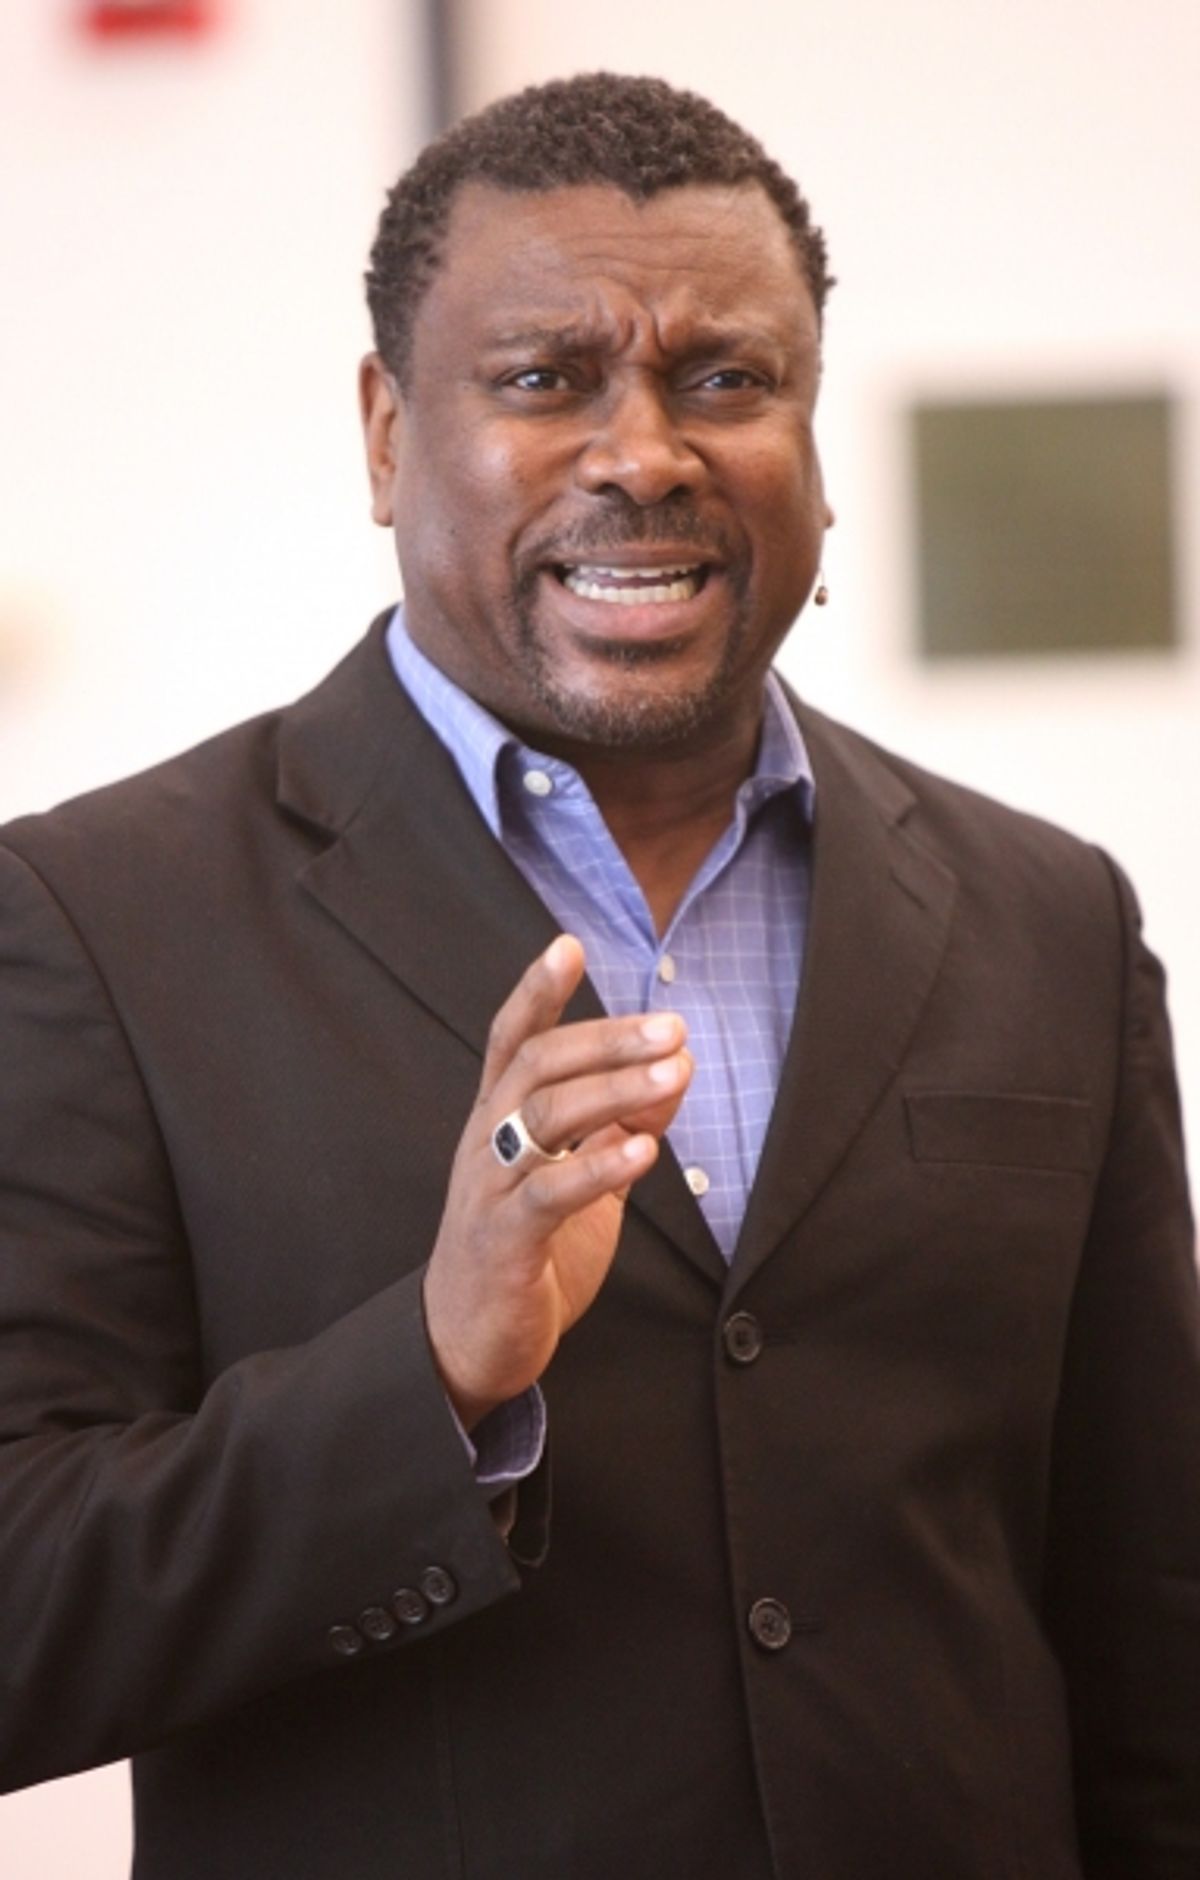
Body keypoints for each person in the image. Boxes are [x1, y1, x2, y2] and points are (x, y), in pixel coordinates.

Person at [0, 70, 1197, 1880]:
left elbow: (1146, 1613)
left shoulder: (1049, 916)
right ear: (390, 434)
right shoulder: (98, 917)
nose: (646, 452)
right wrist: (432, 1369)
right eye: (545, 379)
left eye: (727, 378)